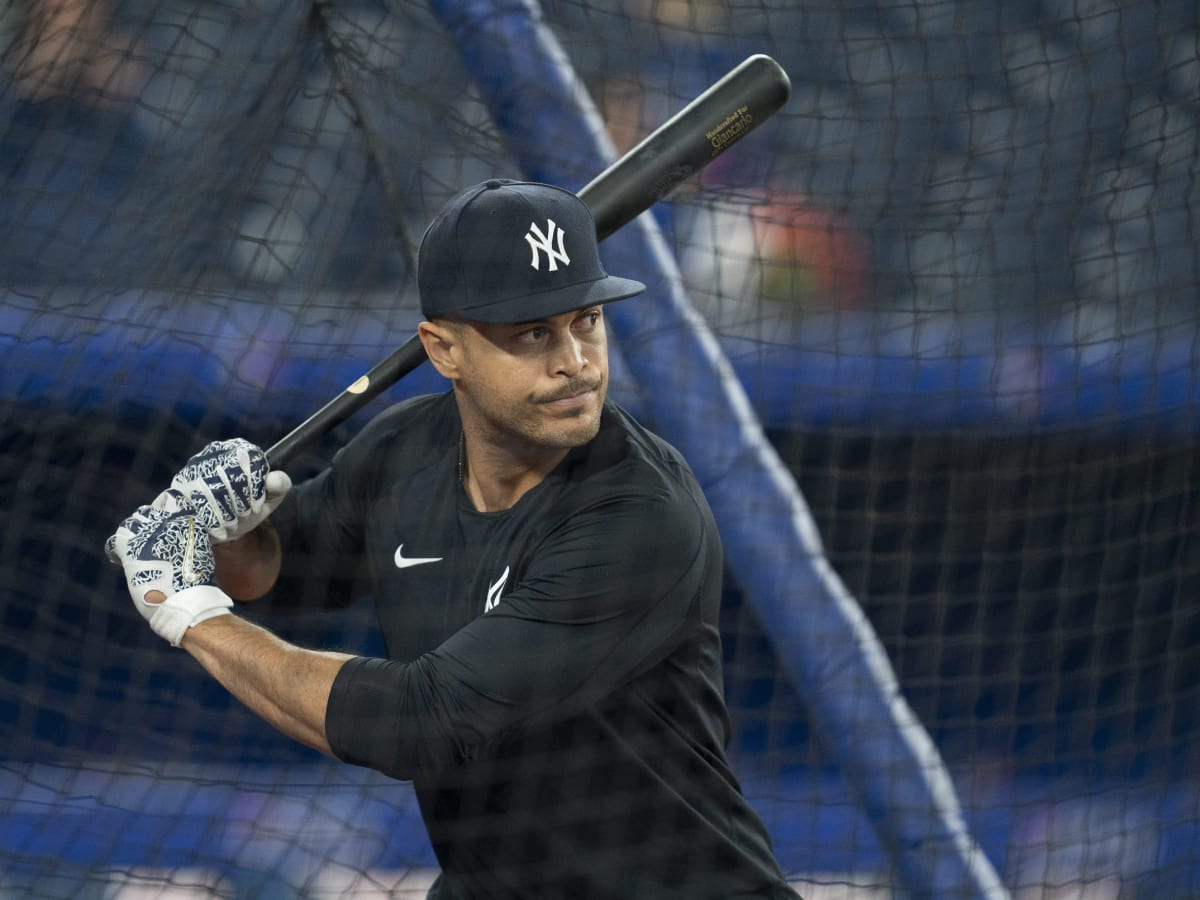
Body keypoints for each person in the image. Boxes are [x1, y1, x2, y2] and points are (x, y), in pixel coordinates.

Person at [107, 179, 801, 899]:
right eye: (532, 333)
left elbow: (420, 722)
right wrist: (226, 529)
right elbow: (282, 574)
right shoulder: (406, 450)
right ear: (443, 350)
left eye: (587, 321)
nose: (576, 362)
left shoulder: (639, 514)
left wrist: (190, 614)